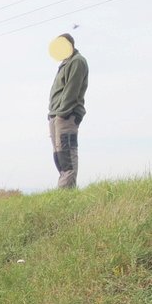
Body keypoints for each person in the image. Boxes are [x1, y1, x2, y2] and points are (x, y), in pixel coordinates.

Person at [48, 33, 89, 189]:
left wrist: (62, 112)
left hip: (66, 115)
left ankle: (66, 195)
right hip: (56, 114)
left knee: (67, 156)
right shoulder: (66, 63)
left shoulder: (77, 61)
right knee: (59, 157)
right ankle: (64, 191)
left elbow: (71, 90)